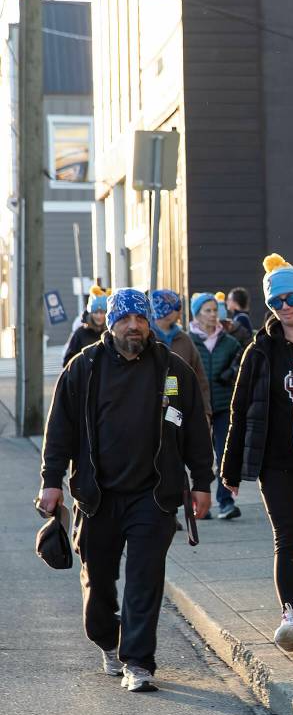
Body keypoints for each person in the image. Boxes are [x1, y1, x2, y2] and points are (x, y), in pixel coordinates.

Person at [39, 288, 213, 692]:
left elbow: (196, 433)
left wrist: (202, 483)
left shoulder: (172, 371)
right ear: (111, 323)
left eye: (140, 319)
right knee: (98, 581)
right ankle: (107, 639)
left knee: (143, 578)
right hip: (97, 497)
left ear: (149, 323)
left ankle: (138, 662)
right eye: (125, 319)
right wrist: (51, 481)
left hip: (154, 496)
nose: (133, 326)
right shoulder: (84, 368)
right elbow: (59, 430)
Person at [221, 254, 293, 651]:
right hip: (277, 461)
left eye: (292, 299)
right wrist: (230, 470)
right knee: (288, 537)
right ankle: (289, 613)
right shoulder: (260, 350)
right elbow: (239, 411)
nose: (286, 308)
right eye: (276, 302)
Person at [189, 291, 243, 520]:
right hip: (197, 408)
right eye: (208, 310)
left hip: (222, 406)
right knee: (200, 457)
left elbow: (241, 363)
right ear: (197, 314)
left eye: (215, 310)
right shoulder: (187, 341)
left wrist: (230, 373)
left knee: (223, 454)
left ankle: (225, 502)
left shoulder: (229, 341)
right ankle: (201, 503)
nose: (213, 315)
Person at [150, 290, 212, 417]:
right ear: (165, 310)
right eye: (177, 308)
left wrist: (205, 412)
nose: (180, 312)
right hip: (151, 413)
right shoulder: (146, 339)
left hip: (183, 411)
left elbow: (200, 378)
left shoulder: (184, 339)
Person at [62, 286, 108, 365]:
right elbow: (68, 361)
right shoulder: (80, 333)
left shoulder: (110, 333)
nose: (99, 316)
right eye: (96, 312)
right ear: (90, 314)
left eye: (102, 312)